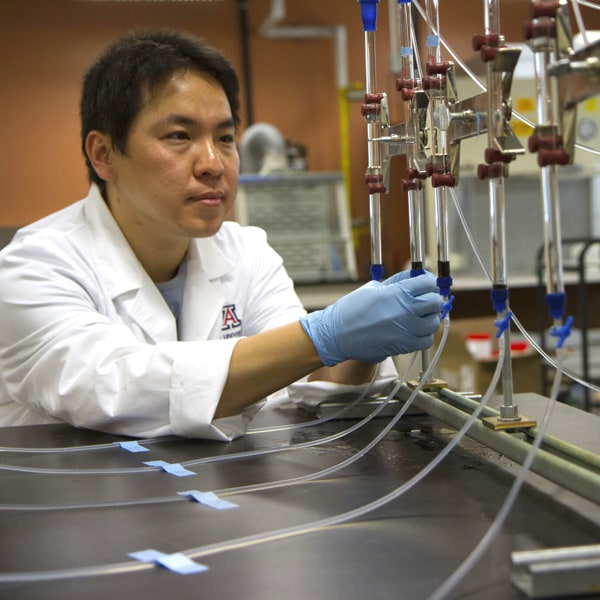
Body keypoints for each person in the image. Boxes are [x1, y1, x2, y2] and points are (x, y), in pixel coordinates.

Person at [0, 30, 442, 440]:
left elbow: (307, 384)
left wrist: (362, 347)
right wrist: (324, 336)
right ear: (104, 154)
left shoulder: (245, 252)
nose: (213, 164)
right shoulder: (35, 268)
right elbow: (115, 388)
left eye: (226, 138)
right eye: (180, 136)